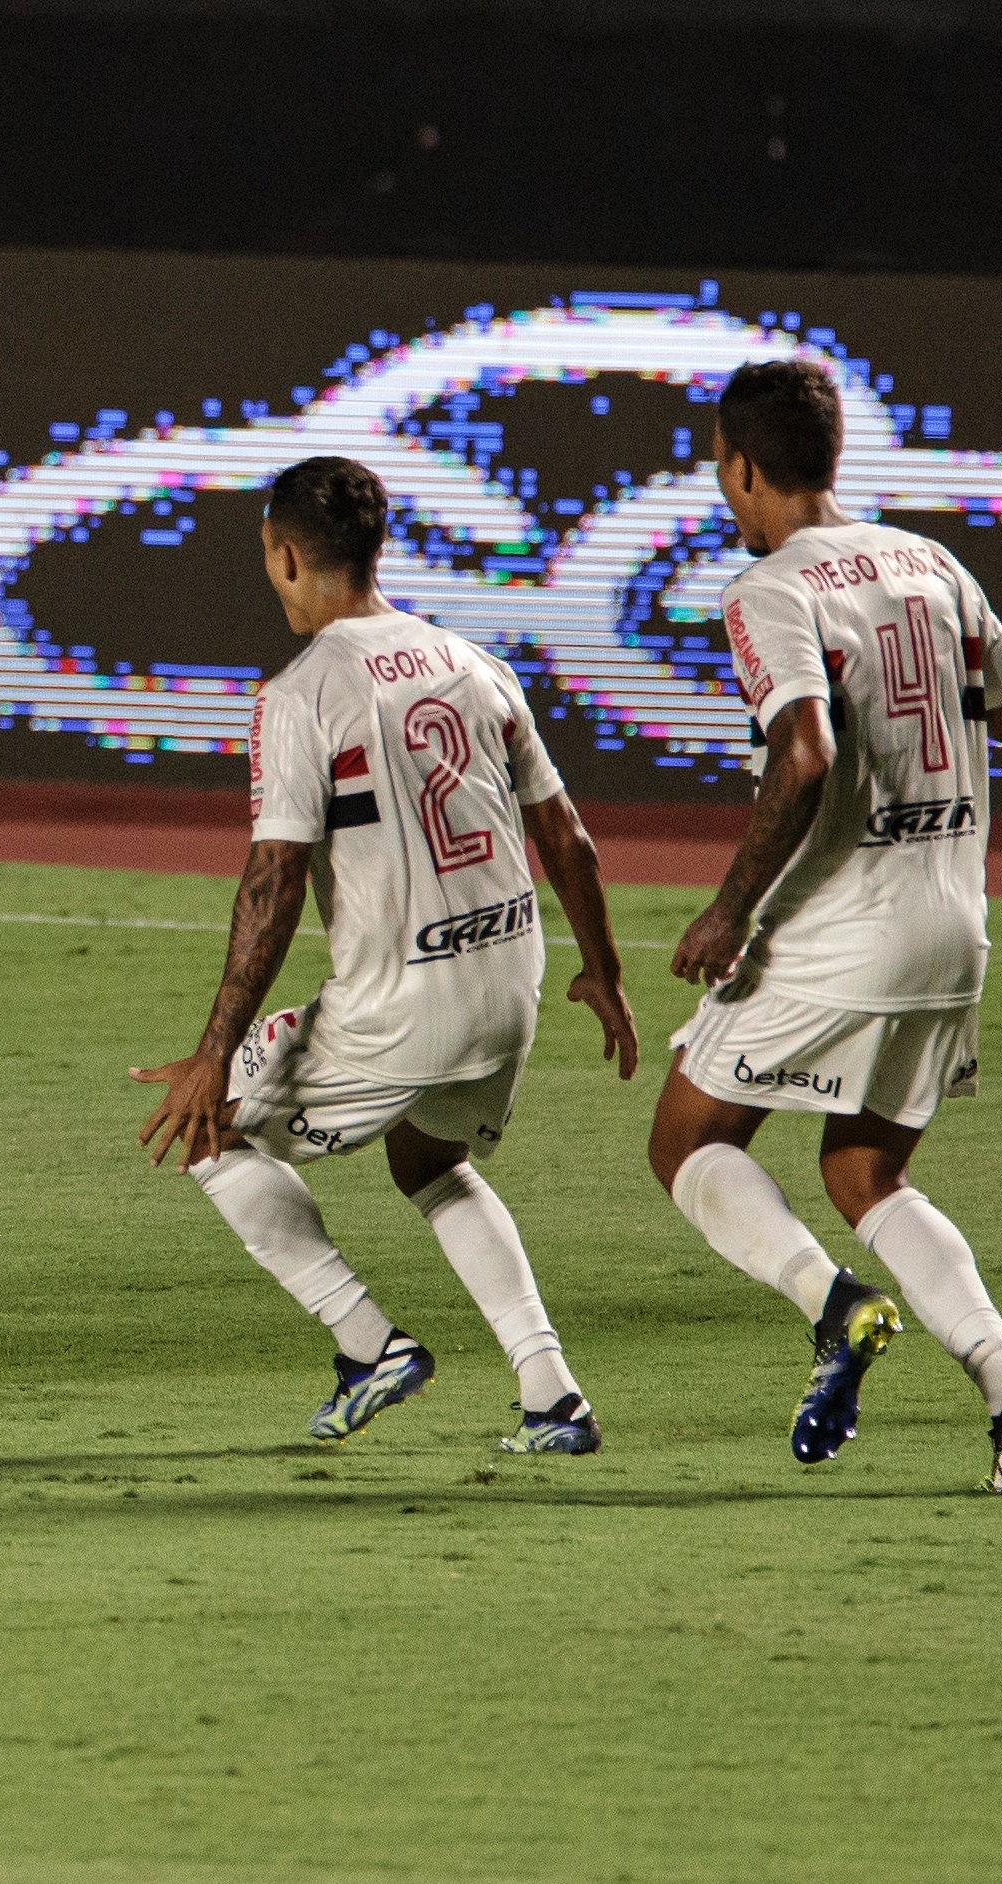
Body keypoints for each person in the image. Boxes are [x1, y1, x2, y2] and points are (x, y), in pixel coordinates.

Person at [134, 455, 637, 1455]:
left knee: (211, 1126)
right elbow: (566, 835)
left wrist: (212, 1047)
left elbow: (272, 883)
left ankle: (367, 1343)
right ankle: (552, 1394)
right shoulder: (472, 662)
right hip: (510, 983)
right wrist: (604, 971)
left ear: (282, 557)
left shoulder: (302, 691)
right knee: (429, 1157)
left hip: (403, 1004)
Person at [647, 359, 1002, 1493]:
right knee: (863, 1171)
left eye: (721, 473)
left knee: (685, 1141)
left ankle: (835, 1308)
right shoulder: (931, 562)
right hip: (954, 921)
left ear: (740, 468)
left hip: (844, 921)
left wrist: (729, 907)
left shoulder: (770, 588)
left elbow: (802, 752)